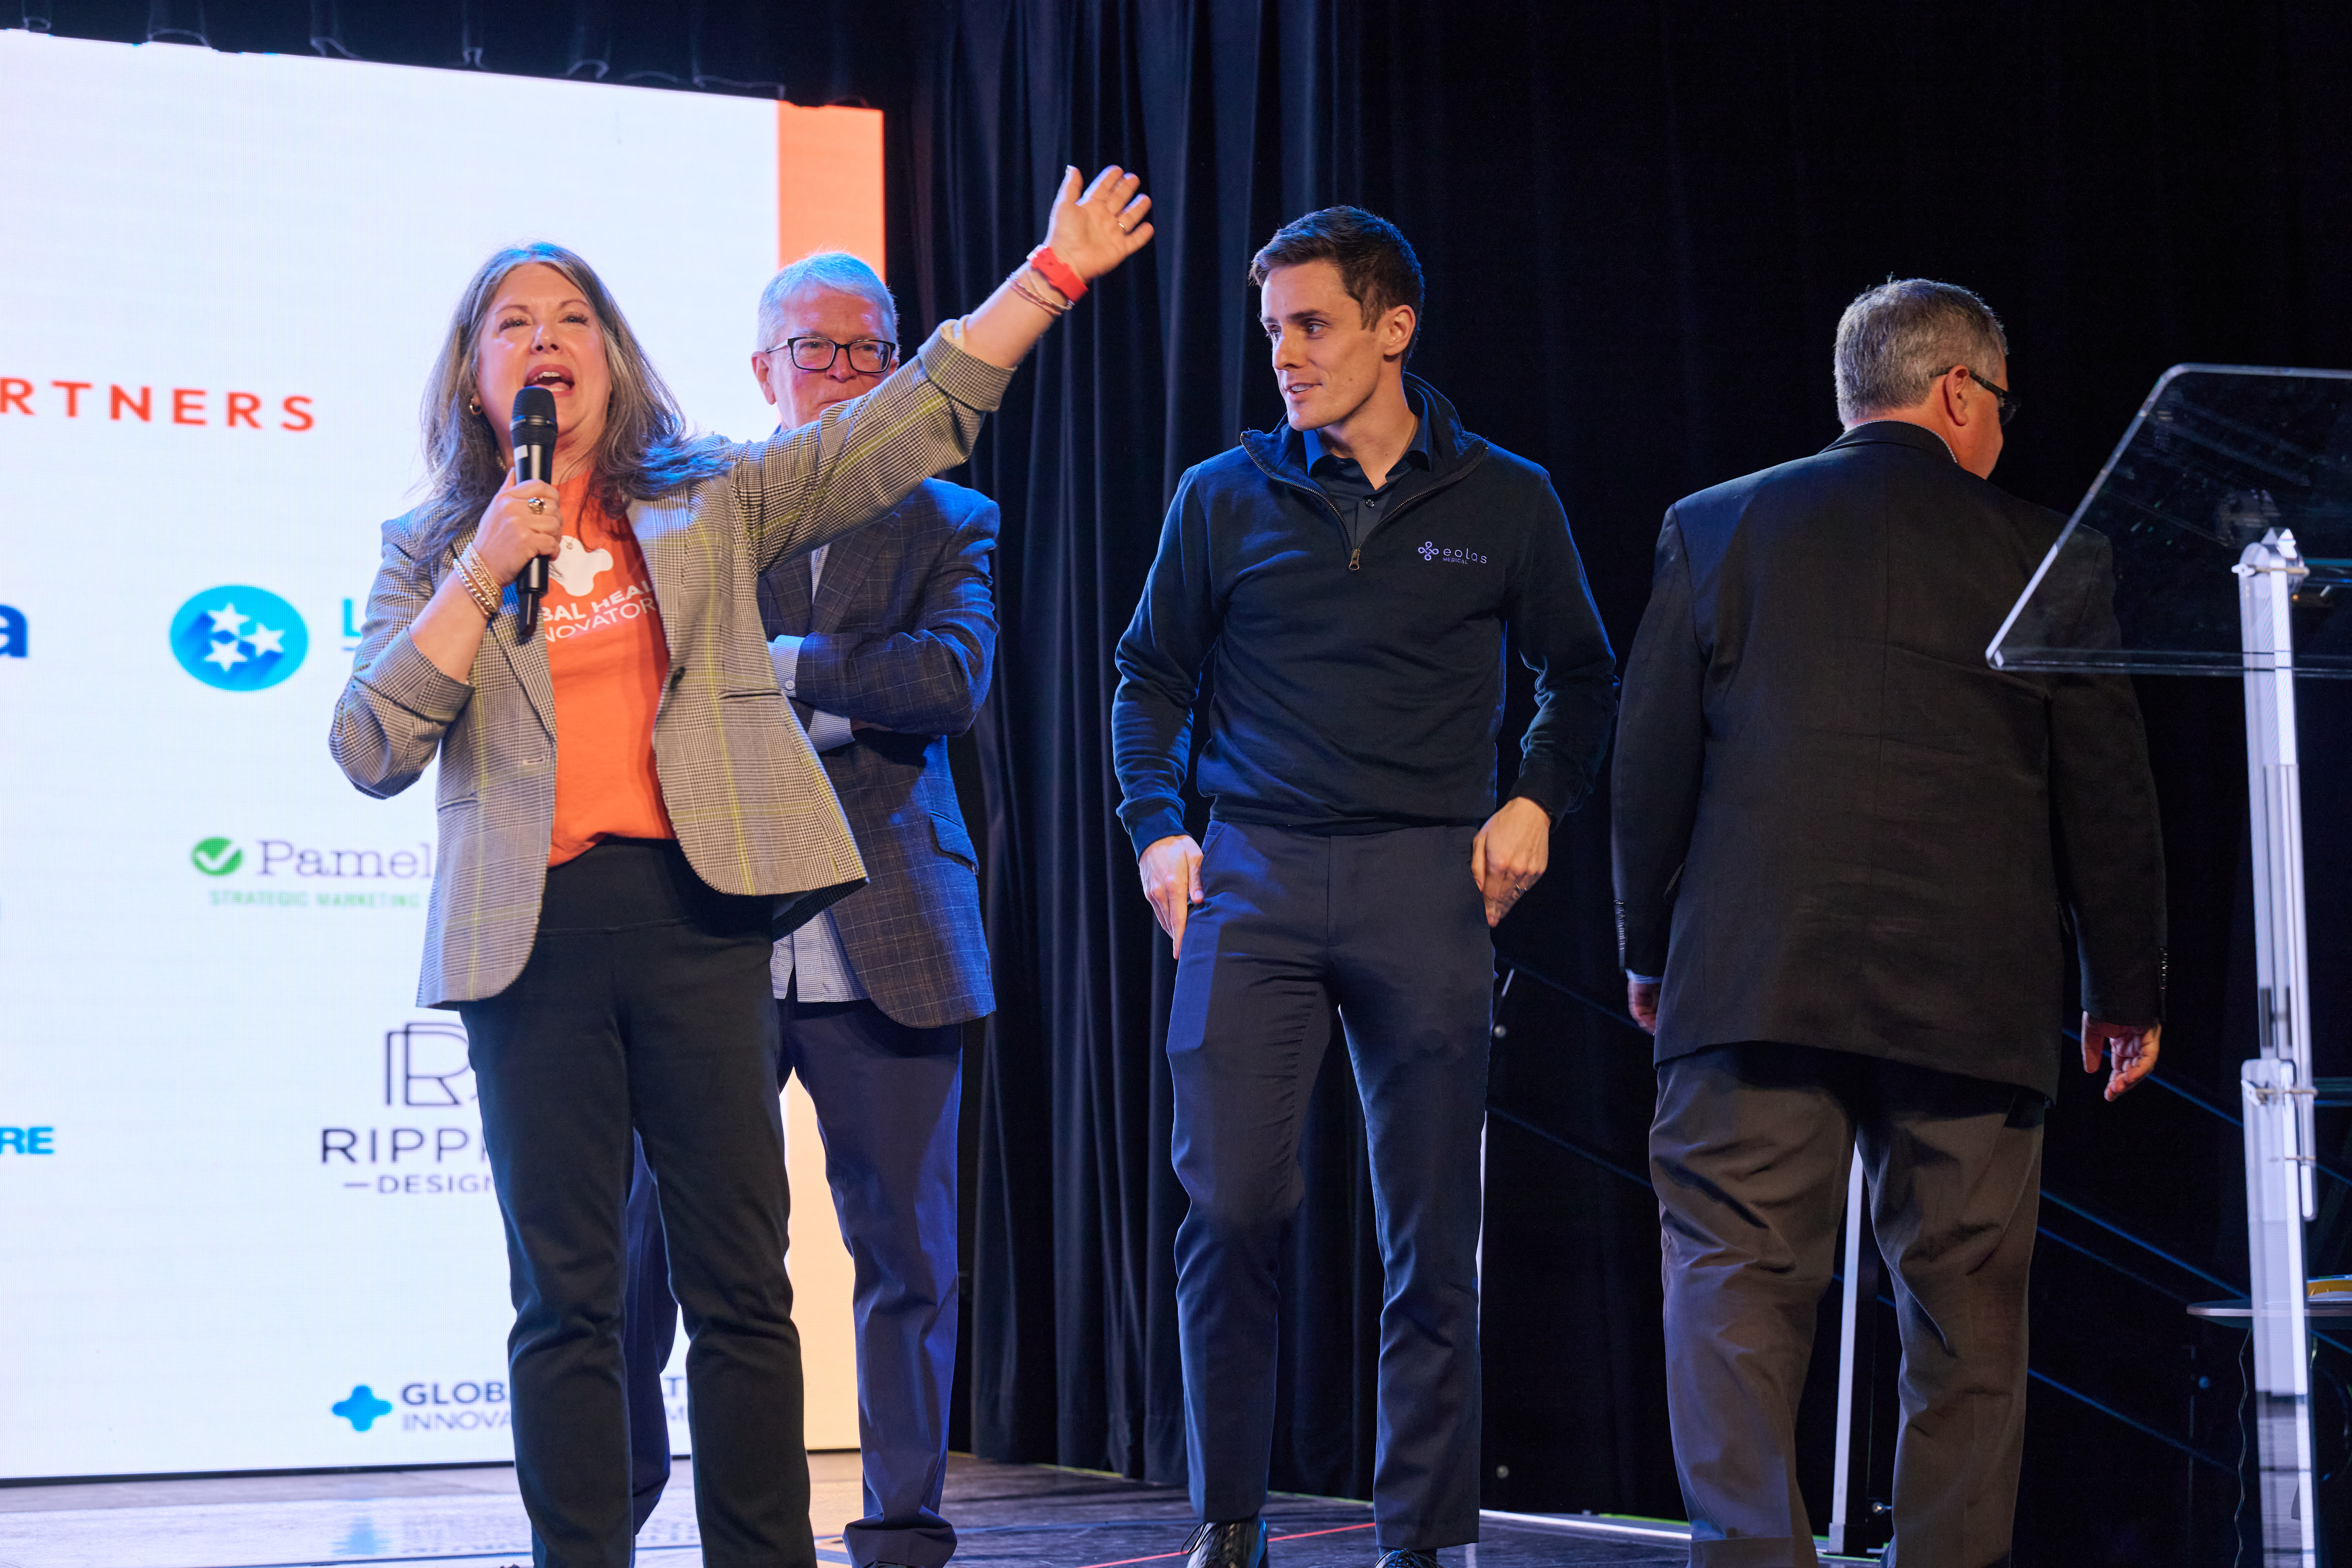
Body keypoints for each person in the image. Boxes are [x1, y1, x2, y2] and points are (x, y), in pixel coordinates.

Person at [330, 167, 1152, 1568]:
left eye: (572, 316)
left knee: (738, 1289)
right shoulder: (433, 547)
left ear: (612, 356)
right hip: (525, 944)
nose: (545, 340)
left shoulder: (707, 503)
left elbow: (903, 425)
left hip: (695, 918)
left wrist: (1049, 281)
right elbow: (371, 744)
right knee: (570, 1298)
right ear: (475, 378)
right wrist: (481, 571)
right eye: (511, 323)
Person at [1611, 278, 2166, 1568]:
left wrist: (1653, 952)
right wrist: (2123, 988)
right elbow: (2111, 797)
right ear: (1959, 392)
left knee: (1733, 1299)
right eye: (2002, 408)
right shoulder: (2048, 554)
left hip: (1749, 981)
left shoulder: (1716, 526)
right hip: (1973, 1000)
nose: (2003, 439)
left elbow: (1648, 778)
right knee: (1968, 1323)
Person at [1111, 206, 1619, 1568]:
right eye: (1274, 328)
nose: (1286, 352)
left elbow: (1584, 675)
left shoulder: (1506, 498)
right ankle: (1231, 1519)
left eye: (1314, 323)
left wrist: (1535, 797)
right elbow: (1147, 679)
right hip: (1254, 874)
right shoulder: (1223, 495)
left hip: (1424, 879)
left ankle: (1425, 1537)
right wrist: (1160, 830)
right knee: (1226, 1206)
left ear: (1395, 330)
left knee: (1429, 1236)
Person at [618, 251, 999, 1568]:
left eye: (868, 349)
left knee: (909, 1262)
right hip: (712, 929)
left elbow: (948, 683)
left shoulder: (952, 517)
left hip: (893, 934)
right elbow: (668, 682)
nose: (845, 373)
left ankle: (901, 1526)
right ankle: (614, 1511)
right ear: (763, 367)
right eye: (817, 349)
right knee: (657, 1258)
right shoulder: (705, 502)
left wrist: (775, 669)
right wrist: (842, 686)